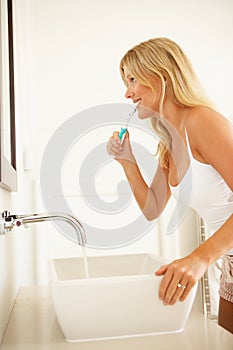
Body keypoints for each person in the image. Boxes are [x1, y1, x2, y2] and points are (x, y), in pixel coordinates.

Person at [106, 37, 233, 333]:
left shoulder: (203, 122)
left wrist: (198, 258)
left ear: (161, 75)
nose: (127, 92)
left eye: (133, 79)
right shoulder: (170, 143)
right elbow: (152, 208)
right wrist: (127, 160)